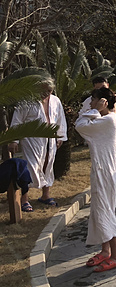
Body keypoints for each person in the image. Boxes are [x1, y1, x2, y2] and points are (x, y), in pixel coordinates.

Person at [75, 87, 116, 272]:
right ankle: (105, 251)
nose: (90, 103)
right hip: (103, 171)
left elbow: (80, 125)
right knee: (100, 211)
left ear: (103, 102)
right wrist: (95, 110)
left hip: (106, 172)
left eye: (93, 99)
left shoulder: (107, 120)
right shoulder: (103, 119)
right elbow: (82, 121)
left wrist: (96, 110)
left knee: (106, 212)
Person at [8, 78, 67, 211]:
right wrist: (14, 140)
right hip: (32, 139)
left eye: (49, 91)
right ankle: (25, 199)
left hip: (50, 139)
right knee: (30, 167)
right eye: (43, 90)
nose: (46, 94)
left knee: (48, 164)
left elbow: (60, 119)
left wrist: (61, 136)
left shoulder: (55, 101)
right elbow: (17, 120)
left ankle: (45, 195)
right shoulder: (26, 101)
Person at [80, 76, 116, 201]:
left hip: (112, 132)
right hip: (99, 132)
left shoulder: (112, 100)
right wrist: (96, 111)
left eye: (102, 87)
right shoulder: (90, 102)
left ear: (107, 85)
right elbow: (84, 119)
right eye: (97, 89)